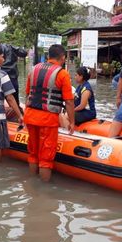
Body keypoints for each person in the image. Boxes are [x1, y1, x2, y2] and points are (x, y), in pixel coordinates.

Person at [24, 44, 75, 182]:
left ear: (48, 56)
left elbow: (28, 93)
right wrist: (72, 122)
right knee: (46, 158)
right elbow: (69, 102)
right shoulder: (62, 74)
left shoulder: (33, 70)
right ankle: (43, 194)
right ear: (63, 57)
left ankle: (32, 185)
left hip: (30, 116)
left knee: (33, 153)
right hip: (48, 119)